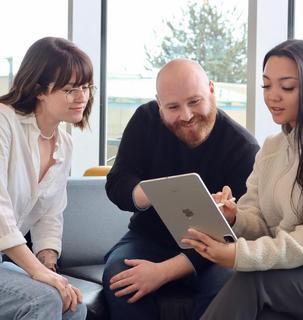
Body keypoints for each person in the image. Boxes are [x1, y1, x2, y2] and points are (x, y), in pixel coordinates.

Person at [103, 58, 260, 319]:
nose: (186, 115)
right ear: (159, 103)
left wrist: (161, 272)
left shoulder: (243, 149)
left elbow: (233, 236)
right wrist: (155, 192)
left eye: (194, 101)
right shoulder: (145, 120)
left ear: (211, 90)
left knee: (230, 285)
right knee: (120, 280)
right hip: (148, 239)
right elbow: (117, 182)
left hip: (212, 251)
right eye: (173, 107)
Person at [182, 39, 303, 320]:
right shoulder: (271, 148)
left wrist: (239, 255)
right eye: (267, 85)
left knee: (251, 280)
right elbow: (260, 220)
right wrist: (235, 218)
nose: (273, 96)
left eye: (287, 87)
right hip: (298, 271)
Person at [0, 37, 96, 320]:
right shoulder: (4, 122)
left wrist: (49, 267)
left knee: (74, 306)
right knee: (43, 300)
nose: (82, 97)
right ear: (39, 90)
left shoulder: (63, 143)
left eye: (86, 87)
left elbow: (50, 214)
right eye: (70, 89)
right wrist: (38, 273)